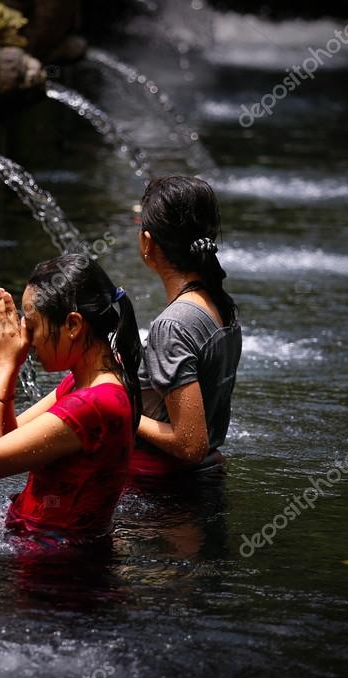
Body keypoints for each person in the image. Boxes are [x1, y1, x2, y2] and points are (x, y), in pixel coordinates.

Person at [0, 255, 142, 545]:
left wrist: (2, 365)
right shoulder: (86, 382)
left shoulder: (94, 404)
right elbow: (8, 436)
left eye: (33, 326)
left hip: (52, 574)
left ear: (73, 325)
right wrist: (11, 368)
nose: (27, 338)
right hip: (44, 551)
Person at [132, 176, 242, 483]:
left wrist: (122, 413)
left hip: (165, 489)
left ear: (148, 243)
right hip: (202, 479)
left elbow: (190, 443)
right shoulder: (220, 304)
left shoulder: (173, 325)